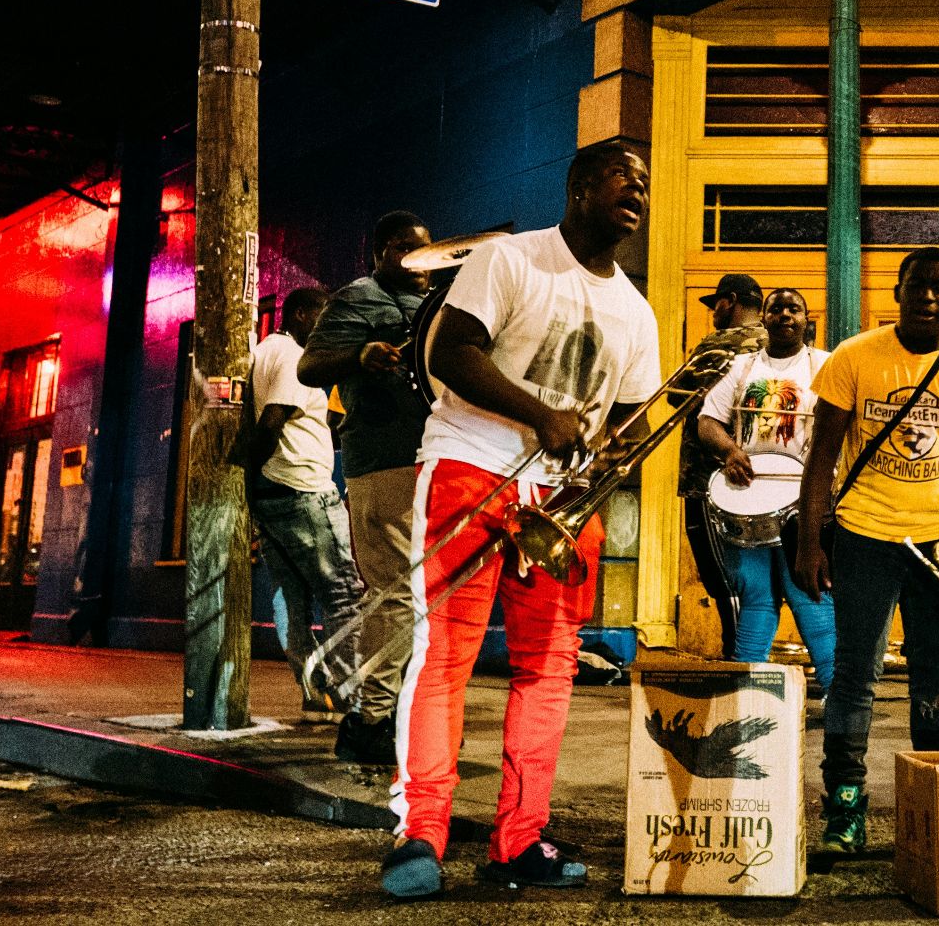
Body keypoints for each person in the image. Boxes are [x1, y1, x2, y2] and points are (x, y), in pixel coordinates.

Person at [379, 142, 661, 899]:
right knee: (444, 656)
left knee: (550, 669)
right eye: (619, 176)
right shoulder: (511, 260)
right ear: (576, 187)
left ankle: (519, 839)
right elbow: (453, 352)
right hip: (471, 463)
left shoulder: (637, 311)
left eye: (644, 183)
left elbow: (626, 421)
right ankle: (421, 831)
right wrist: (543, 416)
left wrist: (614, 462)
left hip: (562, 501)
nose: (635, 189)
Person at [793, 247, 939, 854]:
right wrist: (812, 543)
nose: (929, 296)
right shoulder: (855, 356)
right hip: (865, 533)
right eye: (918, 285)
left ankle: (931, 807)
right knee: (854, 674)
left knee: (937, 677)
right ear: (898, 292)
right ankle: (844, 809)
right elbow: (820, 462)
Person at [299, 211, 435, 765]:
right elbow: (311, 367)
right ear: (378, 254)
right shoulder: (359, 297)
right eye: (404, 249)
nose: (418, 260)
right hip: (381, 464)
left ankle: (393, 715)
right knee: (398, 596)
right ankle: (369, 720)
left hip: (430, 461)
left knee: (419, 598)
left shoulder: (433, 302)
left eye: (426, 250)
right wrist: (360, 354)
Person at [695, 287, 835, 685]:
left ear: (806, 319)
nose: (786, 315)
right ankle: (745, 691)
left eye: (795, 308)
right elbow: (708, 423)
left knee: (811, 596)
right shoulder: (740, 368)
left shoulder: (823, 366)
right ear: (765, 318)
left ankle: (835, 695)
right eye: (777, 308)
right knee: (756, 597)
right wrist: (728, 451)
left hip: (804, 502)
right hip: (747, 497)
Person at [248, 286, 364, 722]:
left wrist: (252, 488)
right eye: (322, 316)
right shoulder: (293, 358)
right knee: (345, 593)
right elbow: (271, 422)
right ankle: (351, 699)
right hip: (304, 492)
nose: (327, 327)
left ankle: (316, 696)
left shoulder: (265, 352)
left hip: (275, 496)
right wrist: (250, 473)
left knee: (293, 600)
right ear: (299, 315)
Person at [678, 274, 768, 657]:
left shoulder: (717, 345)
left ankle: (735, 654)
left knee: (720, 574)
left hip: (707, 478)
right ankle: (750, 651)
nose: (714, 313)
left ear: (729, 302)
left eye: (716, 304)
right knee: (757, 574)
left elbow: (676, 397)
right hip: (764, 480)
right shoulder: (780, 346)